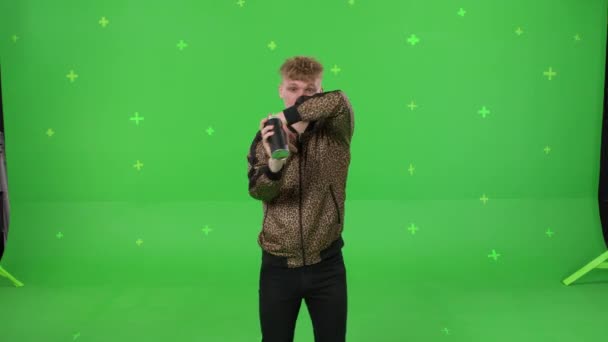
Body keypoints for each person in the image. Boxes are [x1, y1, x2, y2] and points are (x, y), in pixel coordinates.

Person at [246, 56, 355, 342]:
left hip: (327, 266)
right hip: (278, 268)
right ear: (281, 90)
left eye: (310, 91)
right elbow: (259, 191)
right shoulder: (266, 138)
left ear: (319, 93)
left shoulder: (335, 131)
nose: (299, 97)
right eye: (293, 89)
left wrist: (286, 117)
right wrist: (275, 165)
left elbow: (340, 100)